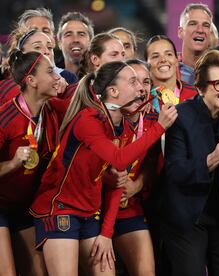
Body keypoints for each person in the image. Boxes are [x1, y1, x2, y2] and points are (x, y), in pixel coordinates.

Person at [29, 61, 177, 275]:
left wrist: (107, 233)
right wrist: (159, 127)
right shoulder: (88, 119)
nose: (142, 88)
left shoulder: (124, 126)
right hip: (60, 207)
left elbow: (119, 180)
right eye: (133, 81)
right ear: (113, 91)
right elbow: (118, 159)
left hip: (91, 213)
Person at [160, 50, 219, 276]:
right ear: (201, 87)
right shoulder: (181, 116)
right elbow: (175, 172)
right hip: (187, 217)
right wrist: (210, 161)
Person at [0, 50, 61, 276]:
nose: (57, 76)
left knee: (39, 272)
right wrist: (13, 163)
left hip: (25, 207)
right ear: (31, 80)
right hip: (1, 206)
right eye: (50, 71)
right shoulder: (5, 117)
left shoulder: (52, 111)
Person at [108, 59, 158, 276]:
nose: (141, 88)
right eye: (134, 81)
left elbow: (154, 163)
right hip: (96, 209)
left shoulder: (156, 121)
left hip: (130, 208)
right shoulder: (105, 120)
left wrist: (137, 184)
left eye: (146, 82)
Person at [0, 28, 69, 105]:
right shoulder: (7, 89)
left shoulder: (65, 80)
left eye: (49, 47)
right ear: (22, 54)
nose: (46, 51)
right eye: (37, 47)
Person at [17, 8, 78, 83]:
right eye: (33, 31)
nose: (40, 35)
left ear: (53, 40)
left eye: (45, 31)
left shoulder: (70, 79)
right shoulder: (11, 79)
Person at [145, 35, 197, 106]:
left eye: (169, 54)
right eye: (155, 56)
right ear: (146, 65)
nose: (163, 60)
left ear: (176, 60)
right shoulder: (142, 100)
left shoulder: (195, 95)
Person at [177, 3, 213, 85]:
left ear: (210, 34)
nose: (200, 30)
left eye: (206, 25)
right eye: (193, 24)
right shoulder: (168, 70)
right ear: (180, 32)